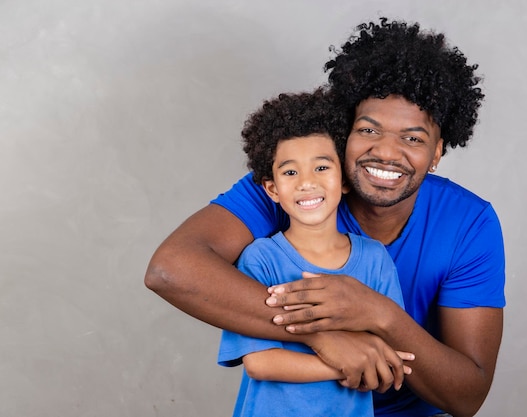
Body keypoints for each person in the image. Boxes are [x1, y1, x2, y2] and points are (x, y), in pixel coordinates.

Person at [145, 17, 505, 417]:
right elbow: (170, 269)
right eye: (369, 130)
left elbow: (466, 395)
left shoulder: (469, 223)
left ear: (437, 153)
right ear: (344, 133)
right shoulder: (297, 188)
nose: (387, 152)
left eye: (413, 138)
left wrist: (379, 313)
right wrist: (323, 334)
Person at [218, 89, 411, 417]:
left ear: (345, 180)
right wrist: (344, 364)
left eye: (321, 168)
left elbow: (391, 359)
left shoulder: (375, 260)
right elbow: (261, 363)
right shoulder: (261, 259)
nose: (307, 183)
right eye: (291, 172)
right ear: (273, 189)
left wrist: (372, 360)